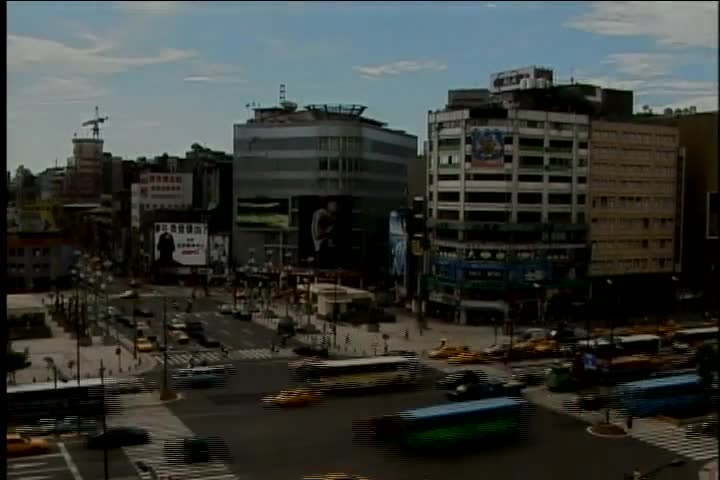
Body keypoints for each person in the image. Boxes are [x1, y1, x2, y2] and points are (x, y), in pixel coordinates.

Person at [311, 199, 338, 268]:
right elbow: (317, 234)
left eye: (336, 205)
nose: (336, 207)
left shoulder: (328, 217)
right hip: (320, 245)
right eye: (334, 205)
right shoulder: (320, 213)